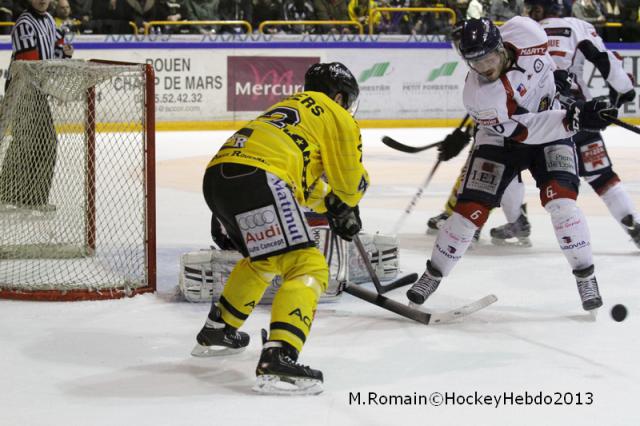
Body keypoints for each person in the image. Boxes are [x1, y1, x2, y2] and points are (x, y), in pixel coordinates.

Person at [406, 16, 616, 312]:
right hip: (503, 140)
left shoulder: (526, 30)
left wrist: (559, 82)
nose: (483, 68)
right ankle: (433, 274)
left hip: (552, 127)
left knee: (563, 205)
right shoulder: (479, 95)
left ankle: (586, 276)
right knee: (468, 214)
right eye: (475, 63)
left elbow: (547, 60)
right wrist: (576, 117)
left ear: (501, 46)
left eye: (488, 58)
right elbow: (526, 131)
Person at [192, 62, 368, 395]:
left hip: (220, 178)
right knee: (309, 265)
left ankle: (219, 330)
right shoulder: (339, 115)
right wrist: (347, 205)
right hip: (260, 180)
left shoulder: (289, 107)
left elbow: (303, 186)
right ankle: (280, 356)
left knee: (265, 259)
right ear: (341, 96)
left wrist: (333, 204)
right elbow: (349, 183)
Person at [490, 0, 640, 248]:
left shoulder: (519, 31)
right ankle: (634, 223)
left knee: (508, 169)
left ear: (538, 9)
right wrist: (623, 91)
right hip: (578, 115)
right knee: (601, 175)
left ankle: (516, 221)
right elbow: (607, 62)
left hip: (532, 120)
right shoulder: (577, 27)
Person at [0, 0, 73, 211]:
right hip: (22, 90)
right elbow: (29, 64)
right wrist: (53, 86)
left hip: (37, 90)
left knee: (39, 142)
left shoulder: (49, 20)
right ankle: (13, 196)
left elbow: (52, 53)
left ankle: (27, 197)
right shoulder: (24, 23)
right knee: (34, 142)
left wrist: (65, 53)